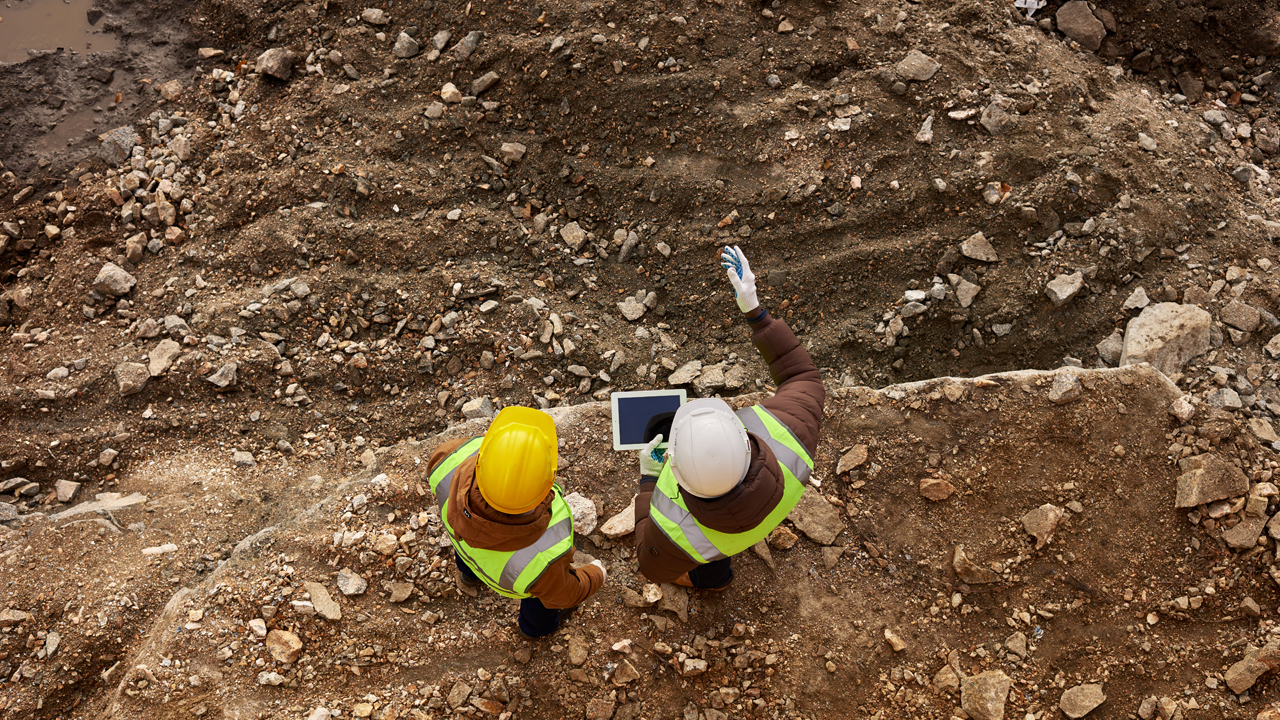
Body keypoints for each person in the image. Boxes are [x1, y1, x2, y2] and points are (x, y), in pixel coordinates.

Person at [634, 245, 825, 590]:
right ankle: (716, 579)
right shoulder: (791, 438)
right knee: (716, 545)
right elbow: (802, 377)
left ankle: (712, 581)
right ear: (743, 436)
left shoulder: (673, 525)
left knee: (708, 554)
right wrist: (754, 309)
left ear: (673, 470)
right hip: (761, 509)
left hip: (709, 541)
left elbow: (651, 568)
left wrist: (649, 480)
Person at [425, 406, 606, 638]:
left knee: (465, 537)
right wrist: (596, 574)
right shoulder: (543, 558)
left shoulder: (450, 456)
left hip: (463, 539)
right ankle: (534, 630)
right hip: (523, 580)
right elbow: (564, 594)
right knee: (539, 599)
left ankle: (468, 575)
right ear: (546, 483)